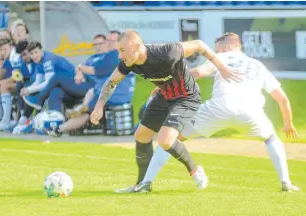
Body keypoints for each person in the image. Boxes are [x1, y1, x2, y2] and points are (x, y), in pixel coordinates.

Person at [139, 32, 300, 192]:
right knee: (272, 139)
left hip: (219, 108)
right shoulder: (257, 64)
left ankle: (146, 182)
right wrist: (288, 124)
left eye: (218, 49)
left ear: (229, 46)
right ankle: (286, 182)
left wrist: (167, 85)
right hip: (251, 112)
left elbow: (198, 73)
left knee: (170, 139)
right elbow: (282, 99)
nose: (216, 53)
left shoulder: (223, 57)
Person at [90, 30, 241, 193]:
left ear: (137, 47)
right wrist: (99, 107)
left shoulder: (167, 52)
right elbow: (112, 82)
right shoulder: (129, 62)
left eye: (122, 50)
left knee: (165, 140)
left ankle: (195, 170)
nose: (120, 56)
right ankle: (142, 185)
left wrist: (222, 68)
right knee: (141, 135)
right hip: (164, 96)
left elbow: (199, 45)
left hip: (186, 97)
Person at [45, 30, 136, 137]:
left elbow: (94, 70)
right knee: (89, 93)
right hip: (116, 93)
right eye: (108, 40)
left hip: (113, 95)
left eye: (112, 41)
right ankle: (77, 112)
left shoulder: (114, 55)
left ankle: (62, 126)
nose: (109, 43)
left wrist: (79, 67)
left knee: (86, 111)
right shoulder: (121, 54)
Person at [22, 41, 93, 113]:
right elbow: (38, 81)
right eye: (31, 54)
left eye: (36, 52)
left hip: (80, 85)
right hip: (68, 90)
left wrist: (29, 90)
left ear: (41, 51)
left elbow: (48, 82)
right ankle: (56, 118)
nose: (34, 56)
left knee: (56, 77)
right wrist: (28, 90)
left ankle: (38, 100)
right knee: (55, 91)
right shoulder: (39, 61)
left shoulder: (48, 59)